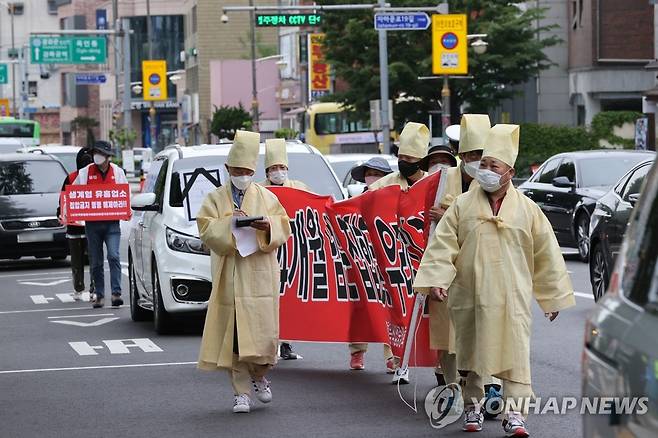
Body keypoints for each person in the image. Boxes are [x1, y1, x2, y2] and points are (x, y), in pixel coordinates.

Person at [413, 124, 575, 436]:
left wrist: (551, 297)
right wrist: (437, 279)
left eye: (492, 166)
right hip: (468, 294)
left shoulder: (527, 209)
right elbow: (443, 244)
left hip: (511, 296)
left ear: (510, 172)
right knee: (471, 352)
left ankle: (515, 413)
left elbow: (546, 254)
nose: (485, 170)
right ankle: (473, 406)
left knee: (515, 354)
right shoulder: (462, 206)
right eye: (482, 164)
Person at [196, 130, 292, 414]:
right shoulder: (214, 198)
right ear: (228, 169)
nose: (242, 175)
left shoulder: (266, 196)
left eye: (247, 171)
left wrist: (268, 227)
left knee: (263, 335)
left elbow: (284, 225)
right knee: (234, 338)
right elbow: (206, 229)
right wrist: (229, 224)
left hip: (259, 274)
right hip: (230, 275)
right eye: (238, 170)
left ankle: (260, 375)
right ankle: (240, 393)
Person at [350, 122, 429, 377]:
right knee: (395, 309)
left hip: (424, 260)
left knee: (428, 317)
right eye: (401, 157)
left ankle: (441, 369)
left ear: (421, 160)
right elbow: (360, 207)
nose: (404, 162)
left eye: (410, 158)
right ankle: (398, 361)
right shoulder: (384, 184)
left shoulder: (434, 186)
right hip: (392, 259)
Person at [420, 114, 490, 389]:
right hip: (445, 266)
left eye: (482, 154)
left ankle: (485, 384)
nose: (477, 160)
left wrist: (449, 213)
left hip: (480, 266)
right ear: (461, 154)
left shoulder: (493, 182)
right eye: (472, 154)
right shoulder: (439, 179)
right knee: (446, 332)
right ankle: (451, 384)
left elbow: (492, 222)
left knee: (483, 329)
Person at [260, 137, 307, 360]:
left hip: (295, 251)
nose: (278, 171)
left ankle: (287, 343)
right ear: (267, 171)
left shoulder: (299, 187)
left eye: (281, 167)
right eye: (273, 168)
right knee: (270, 298)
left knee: (290, 297)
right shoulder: (258, 190)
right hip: (269, 250)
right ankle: (270, 344)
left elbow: (313, 208)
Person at [73, 141, 128, 309]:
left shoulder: (118, 172)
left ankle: (116, 293)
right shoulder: (84, 173)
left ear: (107, 156)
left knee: (113, 256)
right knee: (96, 261)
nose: (97, 156)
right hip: (92, 226)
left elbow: (125, 195)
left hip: (112, 225)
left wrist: (127, 210)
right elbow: (75, 194)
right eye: (95, 152)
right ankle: (100, 295)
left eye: (100, 153)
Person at [57, 147, 95, 301]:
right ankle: (82, 288)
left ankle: (90, 288)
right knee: (83, 260)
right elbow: (63, 200)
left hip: (91, 227)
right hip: (76, 226)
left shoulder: (94, 179)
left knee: (89, 260)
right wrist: (61, 213)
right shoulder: (71, 178)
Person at [369, 122, 429, 191]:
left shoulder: (432, 183)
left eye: (408, 158)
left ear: (421, 160)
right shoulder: (383, 185)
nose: (403, 161)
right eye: (400, 157)